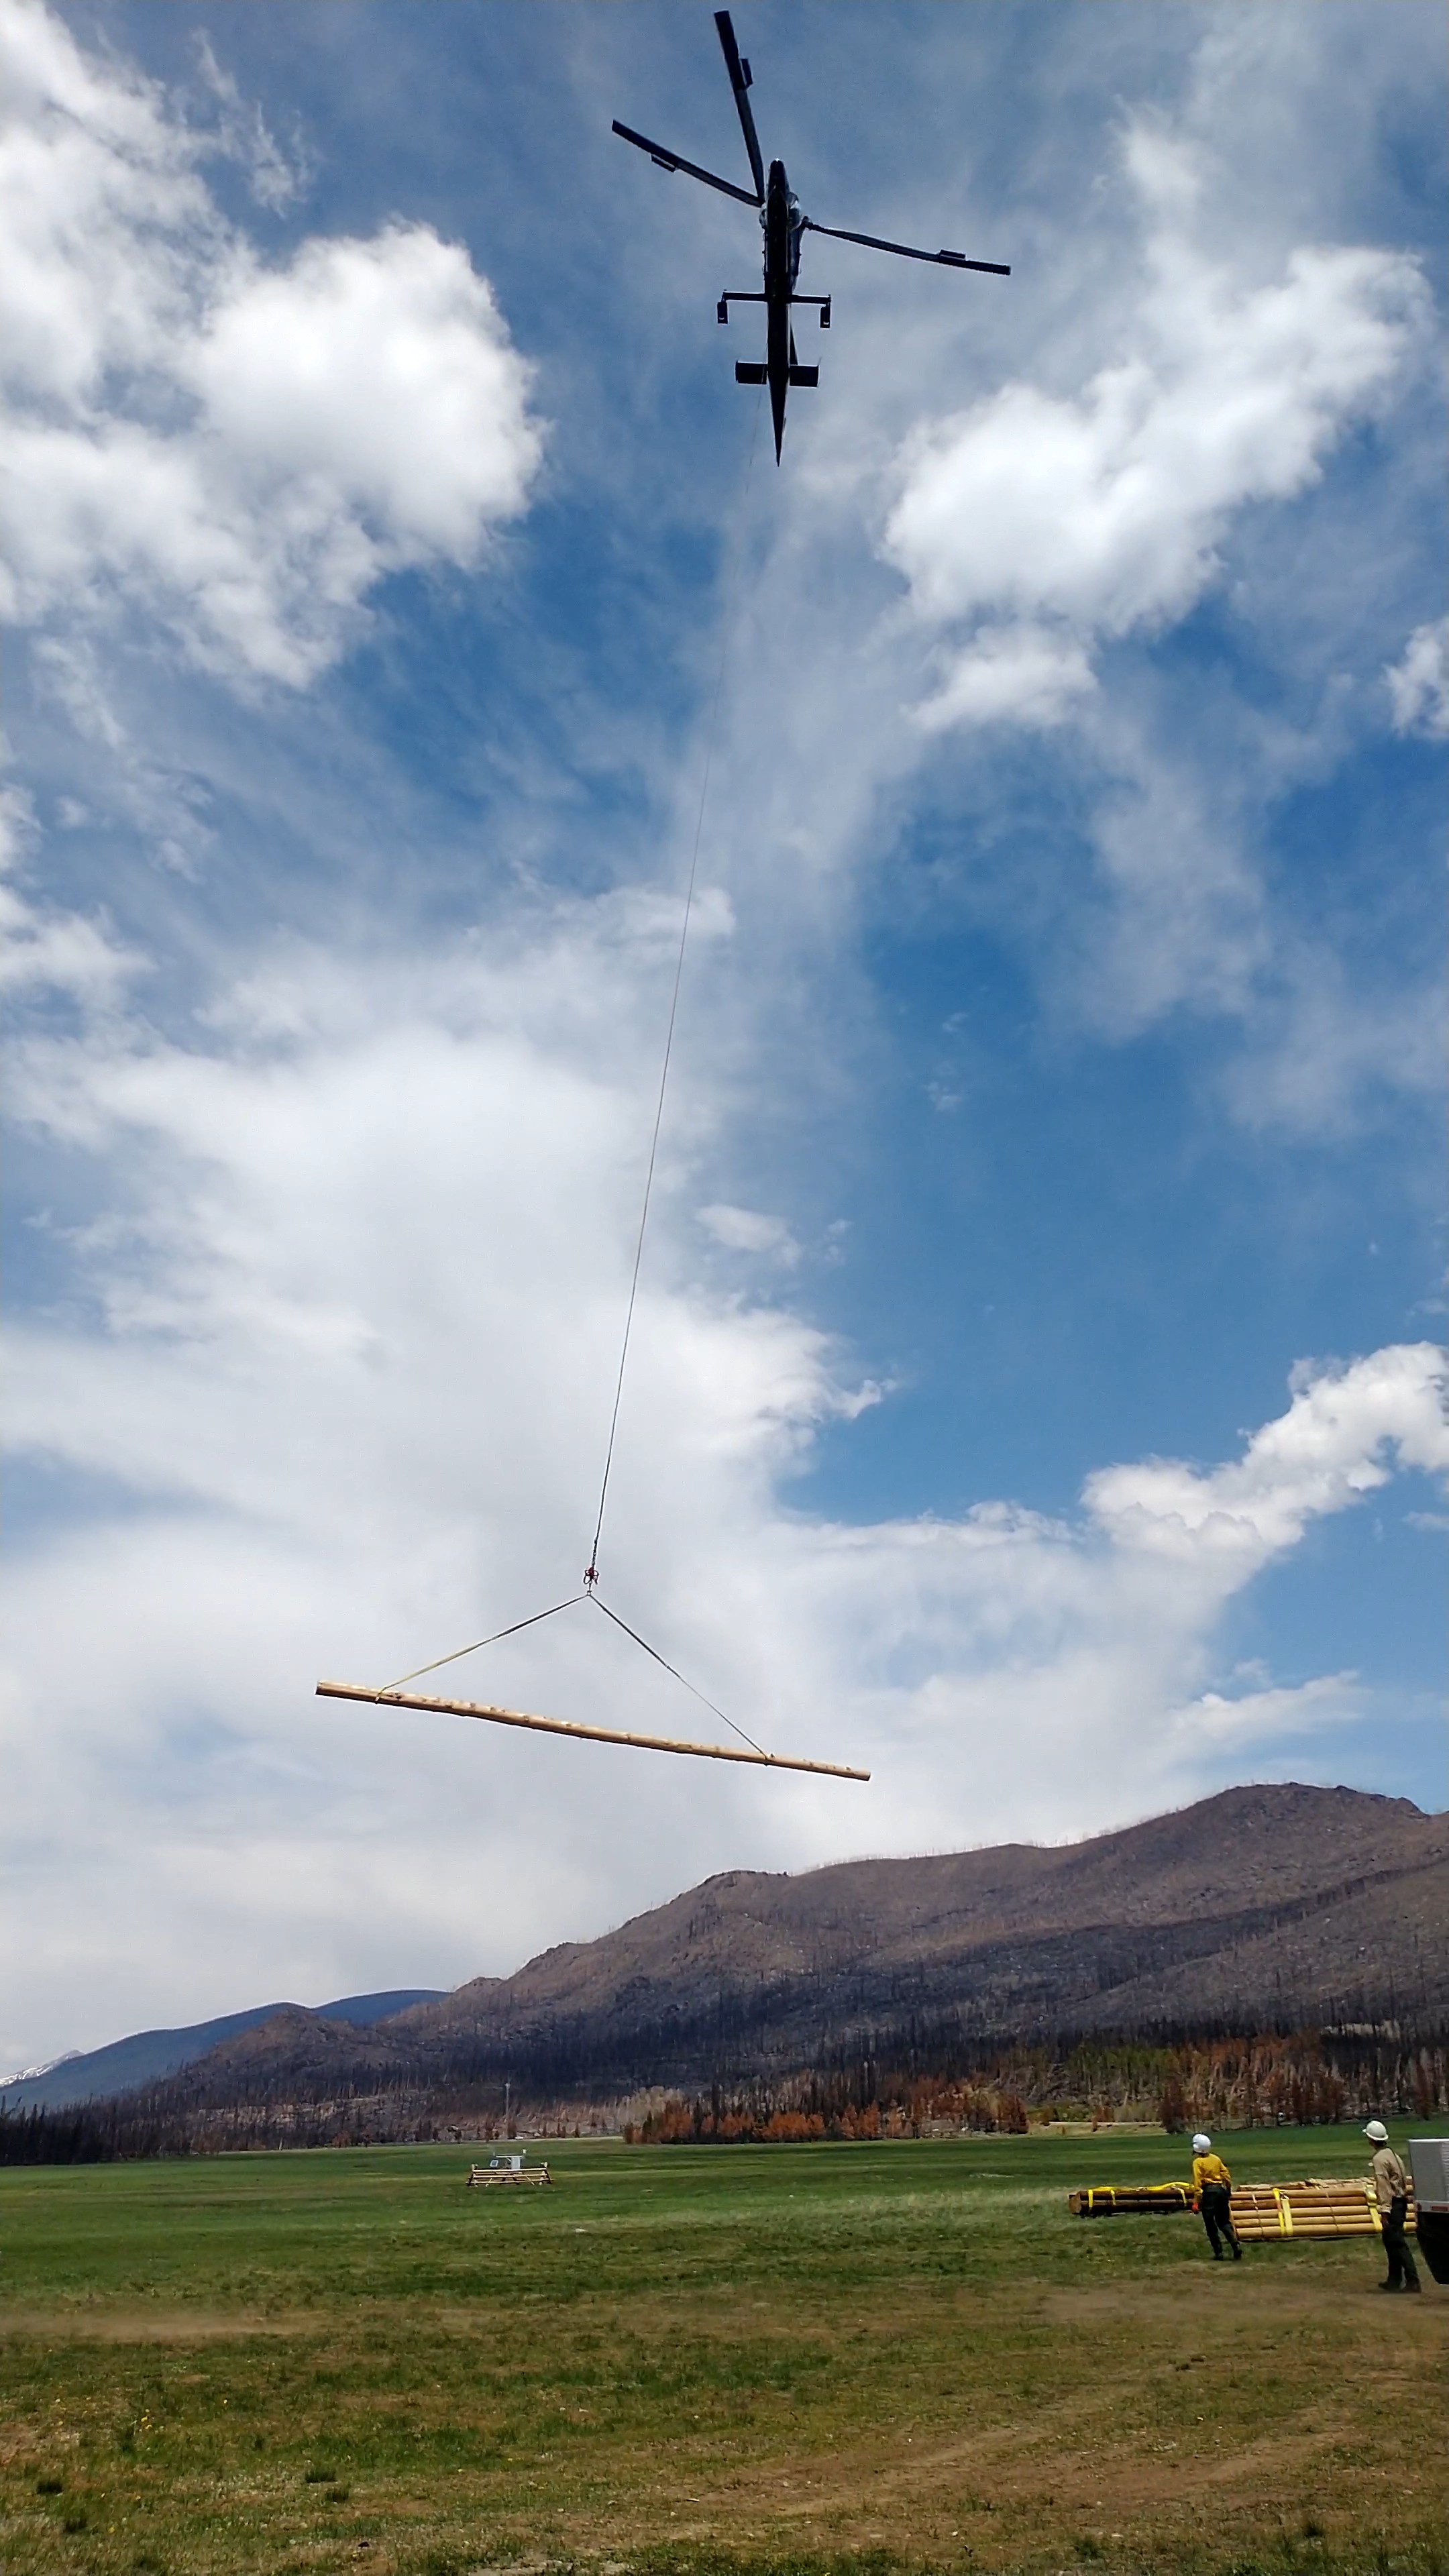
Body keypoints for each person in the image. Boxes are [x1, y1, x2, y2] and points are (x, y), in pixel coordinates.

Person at [1364, 2121, 1421, 2293]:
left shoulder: (1379, 2159)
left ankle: (1412, 2280)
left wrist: (1385, 2211)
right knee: (1391, 2241)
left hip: (1393, 2204)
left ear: (1370, 2139)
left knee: (1397, 2242)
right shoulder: (1393, 2155)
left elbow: (1384, 2187)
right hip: (1401, 2201)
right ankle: (1394, 2279)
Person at [1191, 2131, 1241, 2261]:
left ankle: (1219, 2253)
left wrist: (1196, 2201)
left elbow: (1197, 2183)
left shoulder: (1197, 2163)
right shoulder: (1216, 2158)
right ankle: (1235, 2244)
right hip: (1221, 2191)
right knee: (1224, 2222)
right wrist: (1228, 2190)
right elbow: (1226, 2175)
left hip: (1209, 2193)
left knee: (1210, 2224)